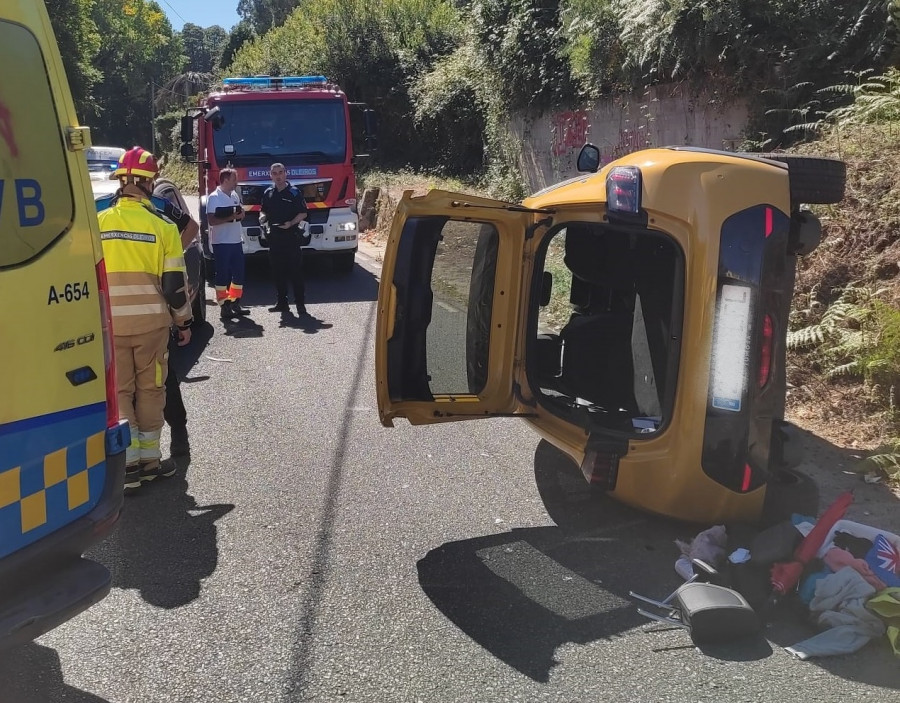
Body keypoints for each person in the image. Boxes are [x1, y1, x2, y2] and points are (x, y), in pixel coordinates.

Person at [97, 146, 192, 494]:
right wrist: (183, 323)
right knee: (151, 390)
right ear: (150, 184)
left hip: (110, 326)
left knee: (120, 392)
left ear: (121, 182)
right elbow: (174, 288)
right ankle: (150, 463)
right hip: (151, 325)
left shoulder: (97, 224)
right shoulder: (163, 227)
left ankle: (128, 467)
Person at [153, 174, 200, 461]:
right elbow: (191, 227)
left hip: (117, 321)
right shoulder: (159, 207)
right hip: (156, 315)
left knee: (129, 388)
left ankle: (139, 458)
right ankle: (176, 436)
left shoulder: (103, 210)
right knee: (164, 377)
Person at [260, 162, 309, 316]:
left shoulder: (294, 192)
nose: (278, 176)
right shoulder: (268, 193)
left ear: (286, 173)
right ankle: (282, 303)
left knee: (295, 273)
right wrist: (262, 219)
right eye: (275, 173)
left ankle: (300, 305)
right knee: (277, 272)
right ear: (271, 175)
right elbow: (263, 211)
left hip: (291, 237)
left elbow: (303, 213)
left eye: (280, 172)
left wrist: (291, 223)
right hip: (274, 238)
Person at [206, 168, 249, 321]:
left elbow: (240, 213)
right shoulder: (214, 198)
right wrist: (231, 217)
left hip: (236, 241)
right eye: (234, 180)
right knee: (223, 274)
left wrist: (241, 215)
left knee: (239, 274)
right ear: (225, 180)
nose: (236, 182)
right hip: (221, 242)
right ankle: (224, 305)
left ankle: (235, 303)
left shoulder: (235, 195)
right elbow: (211, 220)